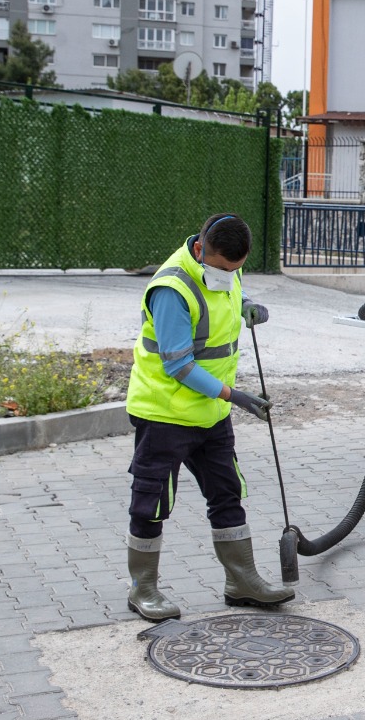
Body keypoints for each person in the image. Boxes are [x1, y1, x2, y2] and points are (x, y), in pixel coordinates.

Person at [122, 212, 293, 621]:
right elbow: (178, 366)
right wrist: (236, 397)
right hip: (164, 414)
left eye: (236, 270)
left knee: (227, 492)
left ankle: (242, 581)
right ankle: (142, 589)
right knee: (152, 502)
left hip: (210, 415)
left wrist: (249, 305)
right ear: (200, 250)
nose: (228, 276)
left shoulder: (227, 268)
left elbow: (230, 294)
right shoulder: (171, 289)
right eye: (221, 269)